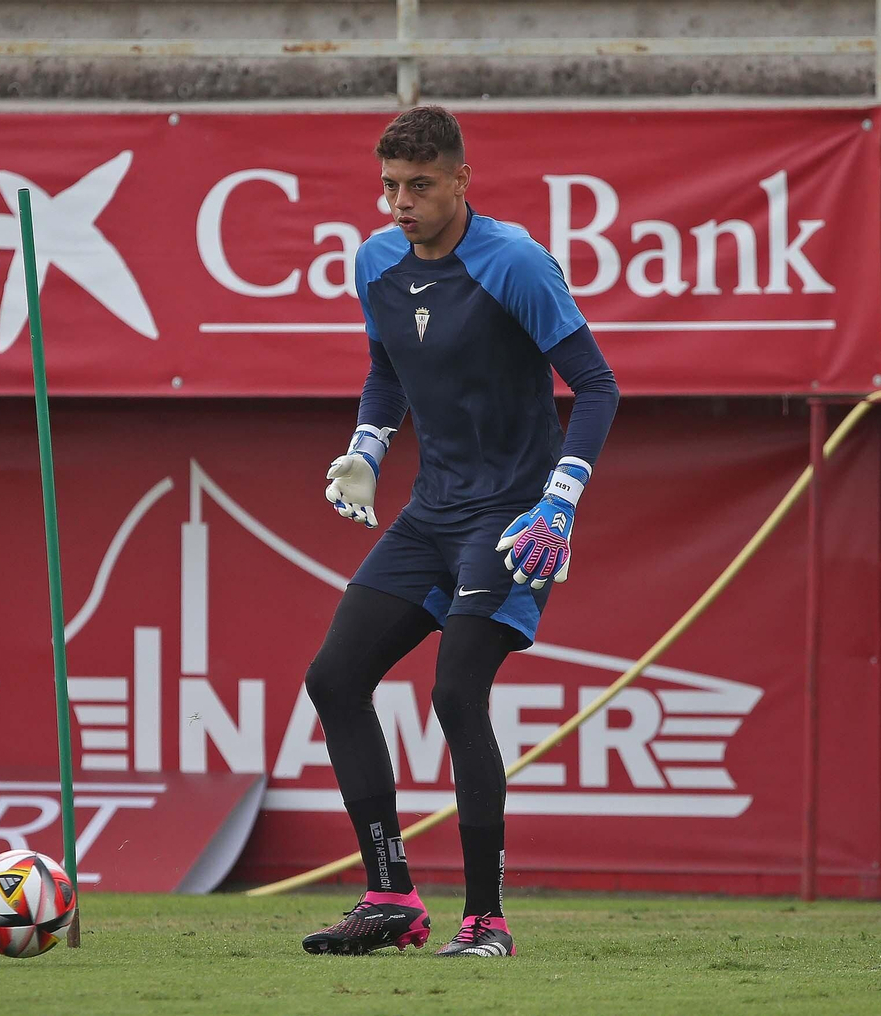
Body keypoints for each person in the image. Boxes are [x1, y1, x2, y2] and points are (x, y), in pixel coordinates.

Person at [300, 105, 618, 959]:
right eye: (389, 186)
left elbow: (596, 387)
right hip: (429, 513)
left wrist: (560, 502)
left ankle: (487, 920)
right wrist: (367, 447)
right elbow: (385, 371)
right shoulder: (375, 261)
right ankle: (391, 895)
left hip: (513, 520)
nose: (399, 203)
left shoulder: (514, 261)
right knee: (333, 679)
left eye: (419, 186)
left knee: (453, 694)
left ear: (461, 181)